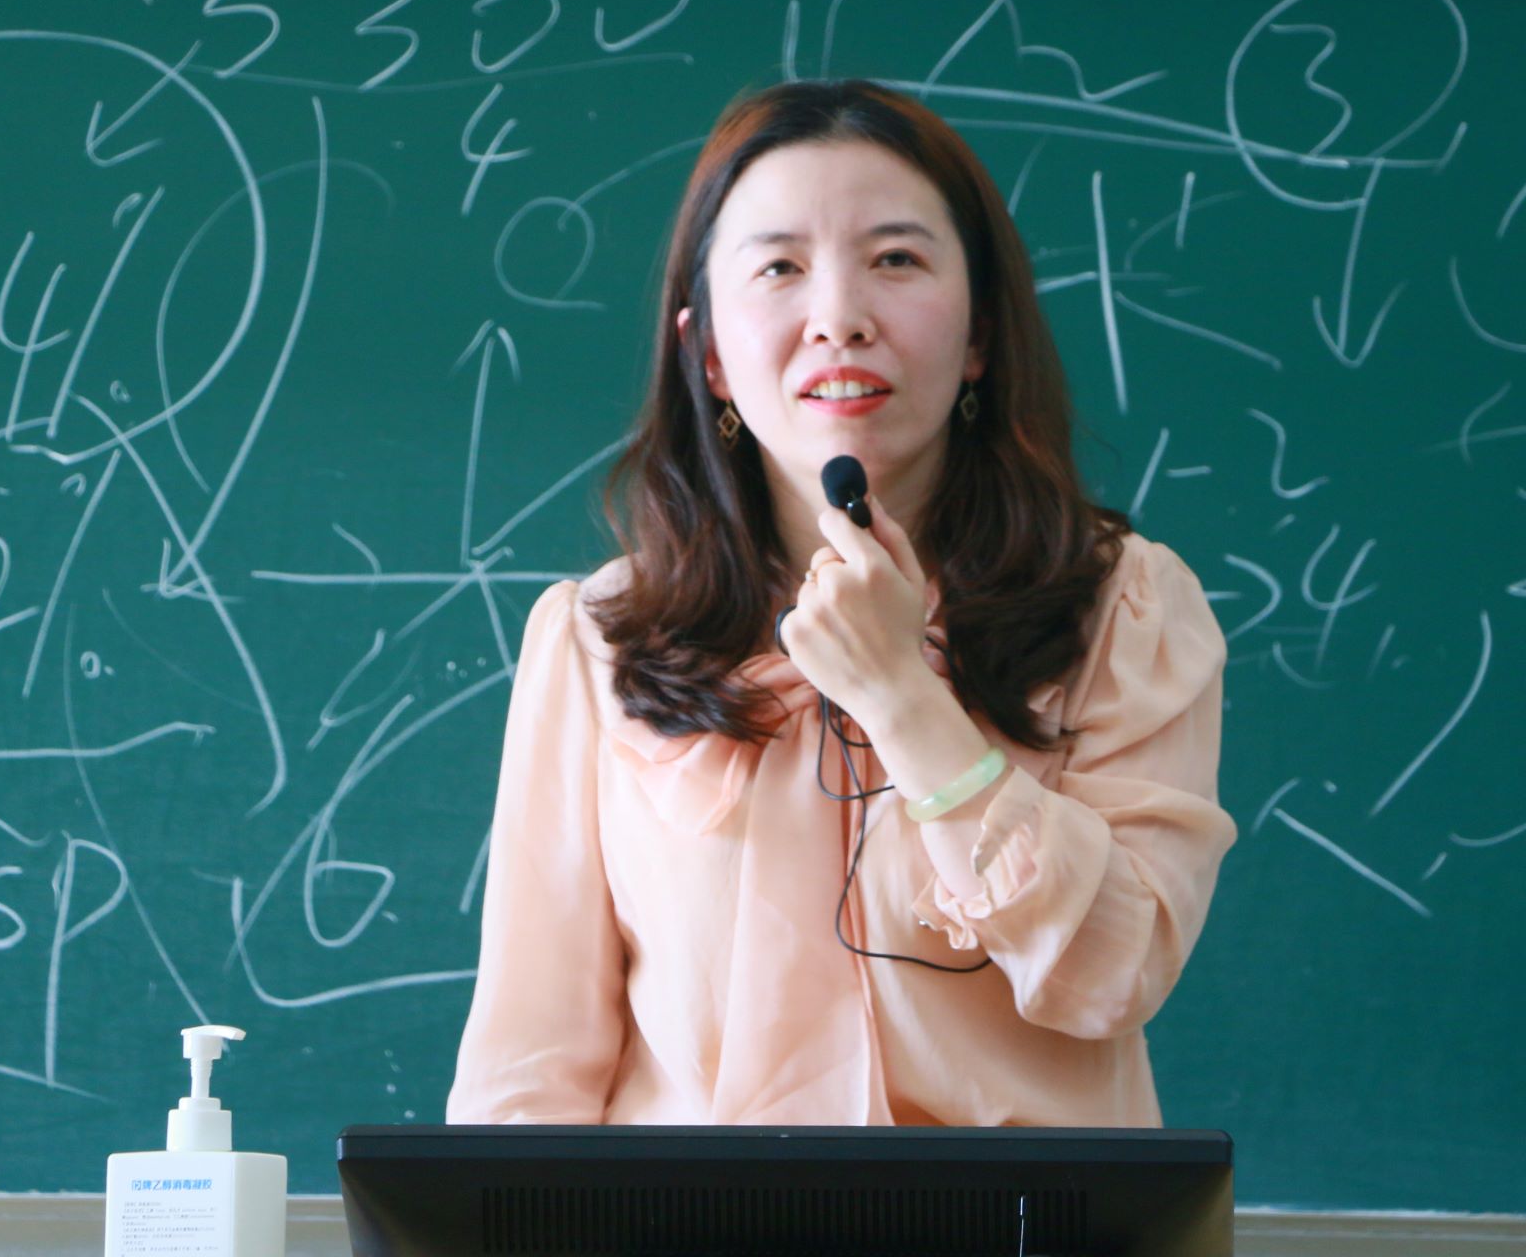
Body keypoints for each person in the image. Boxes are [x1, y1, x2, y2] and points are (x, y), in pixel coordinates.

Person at [448, 79, 1236, 1126]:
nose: (839, 320)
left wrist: (905, 699)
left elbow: (1112, 973)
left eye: (895, 260)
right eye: (779, 267)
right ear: (708, 354)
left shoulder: (1124, 603)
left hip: (1017, 1215)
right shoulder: (597, 639)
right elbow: (526, 1071)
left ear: (979, 335)